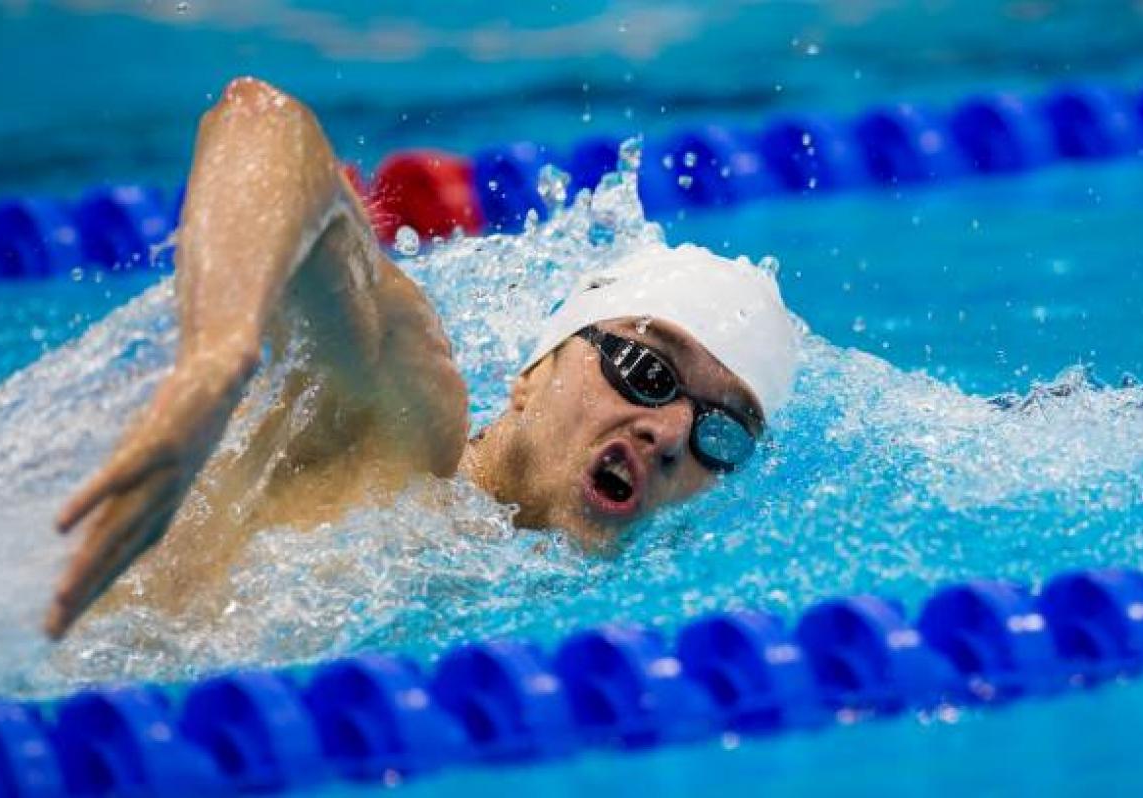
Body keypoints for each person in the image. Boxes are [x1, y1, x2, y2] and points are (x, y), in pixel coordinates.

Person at [45, 77, 801, 639]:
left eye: (720, 433)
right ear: (531, 376)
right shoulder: (405, 422)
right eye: (647, 372)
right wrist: (215, 354)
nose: (668, 435)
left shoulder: (568, 607)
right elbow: (259, 123)